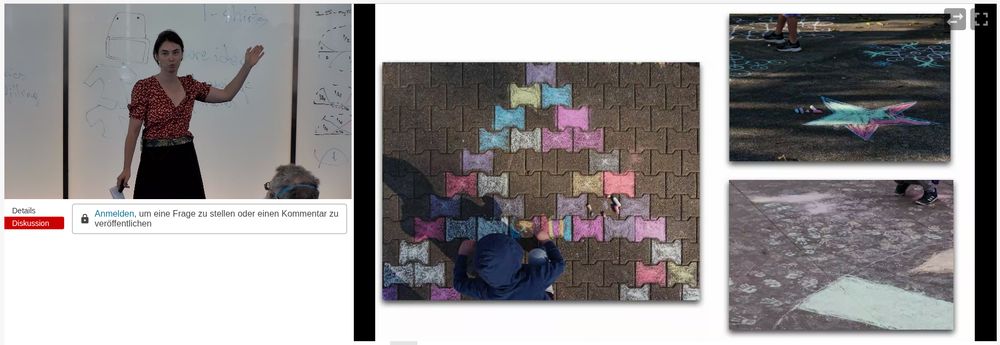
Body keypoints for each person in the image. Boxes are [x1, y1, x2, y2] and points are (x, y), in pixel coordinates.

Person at [116, 29, 265, 198]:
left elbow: (227, 94)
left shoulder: (190, 85)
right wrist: (126, 168)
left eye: (175, 52)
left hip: (185, 158)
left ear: (182, 55)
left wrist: (247, 66)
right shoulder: (144, 87)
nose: (171, 58)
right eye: (165, 53)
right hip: (154, 160)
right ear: (156, 56)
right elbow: (133, 131)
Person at [453, 219, 566, 300]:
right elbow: (560, 264)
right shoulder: (536, 278)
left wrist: (463, 254)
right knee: (537, 254)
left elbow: (459, 284)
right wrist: (546, 240)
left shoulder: (488, 292)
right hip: (540, 293)